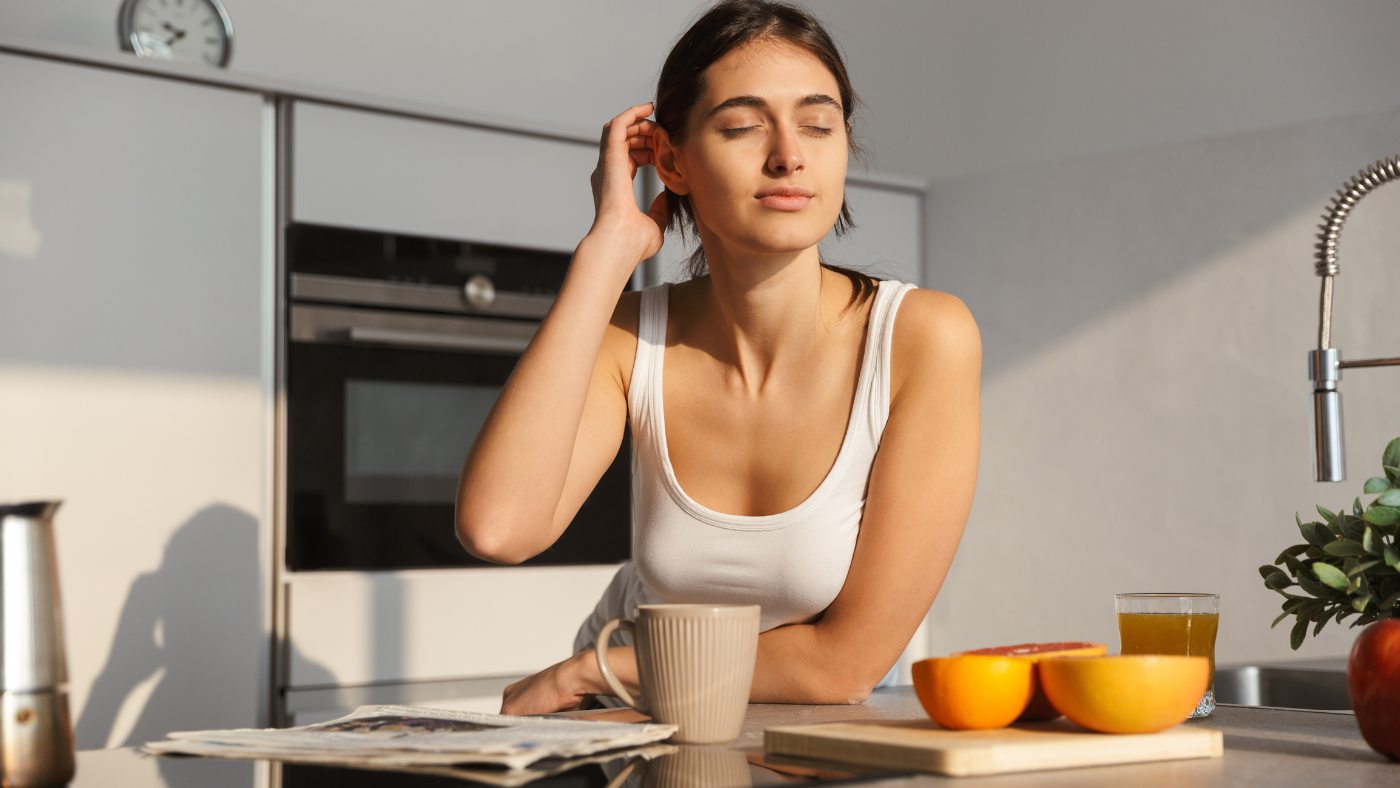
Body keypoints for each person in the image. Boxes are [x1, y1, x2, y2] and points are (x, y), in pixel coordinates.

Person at [455, 0, 980, 715]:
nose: (789, 155)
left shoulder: (923, 338)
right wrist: (607, 251)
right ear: (671, 160)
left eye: (818, 126)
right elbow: (498, 528)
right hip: (635, 730)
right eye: (741, 126)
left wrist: (596, 669)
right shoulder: (633, 335)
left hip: (793, 739)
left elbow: (843, 665)